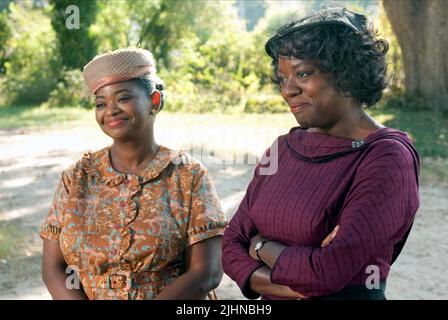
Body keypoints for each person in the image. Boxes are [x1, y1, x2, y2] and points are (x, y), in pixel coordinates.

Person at [222, 7, 420, 300]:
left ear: (346, 73)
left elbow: (327, 272)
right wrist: (299, 279)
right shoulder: (281, 150)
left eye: (302, 73)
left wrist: (262, 247)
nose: (287, 90)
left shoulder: (387, 157)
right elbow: (230, 245)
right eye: (281, 78)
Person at [40, 48, 227, 300]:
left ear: (155, 101)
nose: (110, 110)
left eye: (123, 98)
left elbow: (206, 272)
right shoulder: (77, 177)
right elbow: (53, 268)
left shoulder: (188, 175)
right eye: (100, 103)